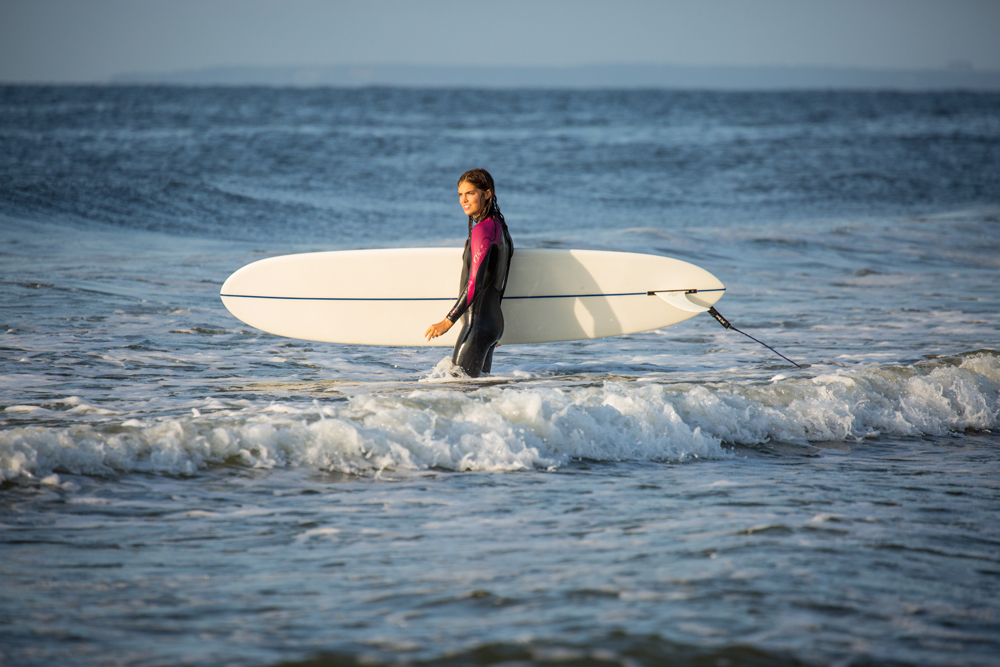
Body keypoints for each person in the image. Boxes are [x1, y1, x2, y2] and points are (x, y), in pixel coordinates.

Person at [424, 169, 513, 377]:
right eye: (460, 195)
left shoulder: (482, 230)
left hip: (477, 326)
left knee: (458, 389)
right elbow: (501, 281)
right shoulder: (500, 227)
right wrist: (491, 329)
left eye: (470, 193)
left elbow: (475, 283)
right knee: (480, 390)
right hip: (493, 324)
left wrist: (447, 321)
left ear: (487, 193)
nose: (464, 200)